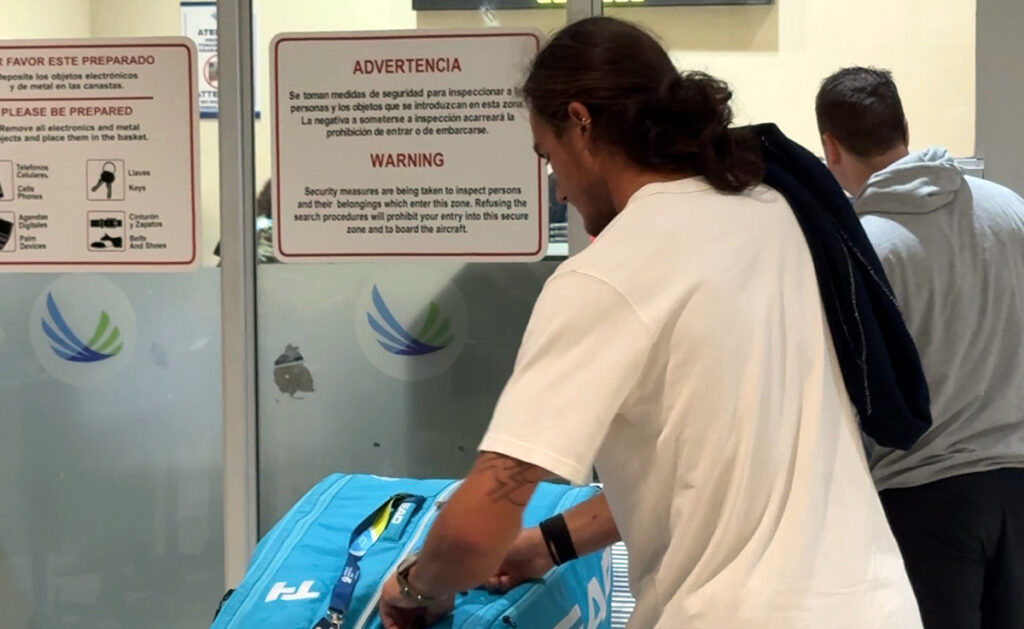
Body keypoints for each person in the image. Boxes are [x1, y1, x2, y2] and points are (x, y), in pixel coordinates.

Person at [377, 18, 924, 629]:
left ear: (581, 124)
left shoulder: (607, 274)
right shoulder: (772, 213)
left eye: (547, 156)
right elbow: (703, 472)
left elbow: (478, 524)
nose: (558, 190)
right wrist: (545, 545)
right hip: (874, 603)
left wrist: (415, 587)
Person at [817, 66, 1024, 629]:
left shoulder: (860, 253)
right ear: (903, 127)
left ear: (830, 148)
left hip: (923, 501)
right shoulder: (1008, 207)